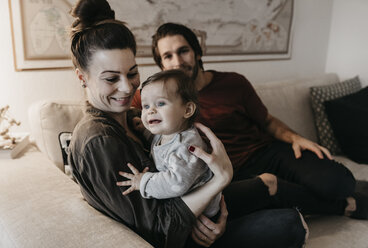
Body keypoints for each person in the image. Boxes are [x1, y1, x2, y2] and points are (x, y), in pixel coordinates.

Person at [67, 1, 308, 247]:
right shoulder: (99, 140)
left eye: (132, 73)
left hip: (189, 205)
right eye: (111, 78)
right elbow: (160, 230)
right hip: (182, 235)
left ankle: (346, 204)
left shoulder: (132, 117)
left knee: (268, 182)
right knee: (289, 224)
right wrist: (221, 179)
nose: (128, 87)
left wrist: (217, 212)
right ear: (81, 77)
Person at [132, 22, 368, 221]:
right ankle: (344, 206)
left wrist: (296, 138)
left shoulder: (233, 82)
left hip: (266, 152)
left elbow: (266, 121)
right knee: (260, 191)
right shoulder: (158, 101)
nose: (177, 61)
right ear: (161, 64)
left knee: (339, 182)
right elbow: (134, 106)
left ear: (197, 52)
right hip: (229, 173)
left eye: (183, 51)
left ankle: (328, 192)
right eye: (167, 56)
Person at [118, 69, 221, 218]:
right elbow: (158, 141)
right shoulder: (169, 131)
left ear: (187, 109)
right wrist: (145, 130)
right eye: (145, 106)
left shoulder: (186, 146)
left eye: (160, 103)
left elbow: (176, 182)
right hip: (186, 205)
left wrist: (143, 182)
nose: (150, 111)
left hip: (203, 211)